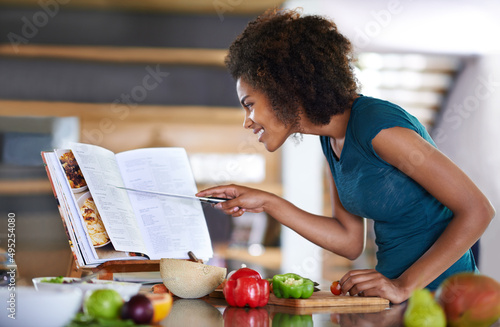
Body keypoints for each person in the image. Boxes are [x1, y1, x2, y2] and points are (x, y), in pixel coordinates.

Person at [196, 8, 495, 304]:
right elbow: (349, 240)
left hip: (445, 299)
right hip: (396, 298)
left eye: (249, 104)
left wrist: (403, 285)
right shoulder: (330, 140)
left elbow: (478, 210)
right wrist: (267, 202)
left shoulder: (377, 127)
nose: (246, 121)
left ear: (283, 88)